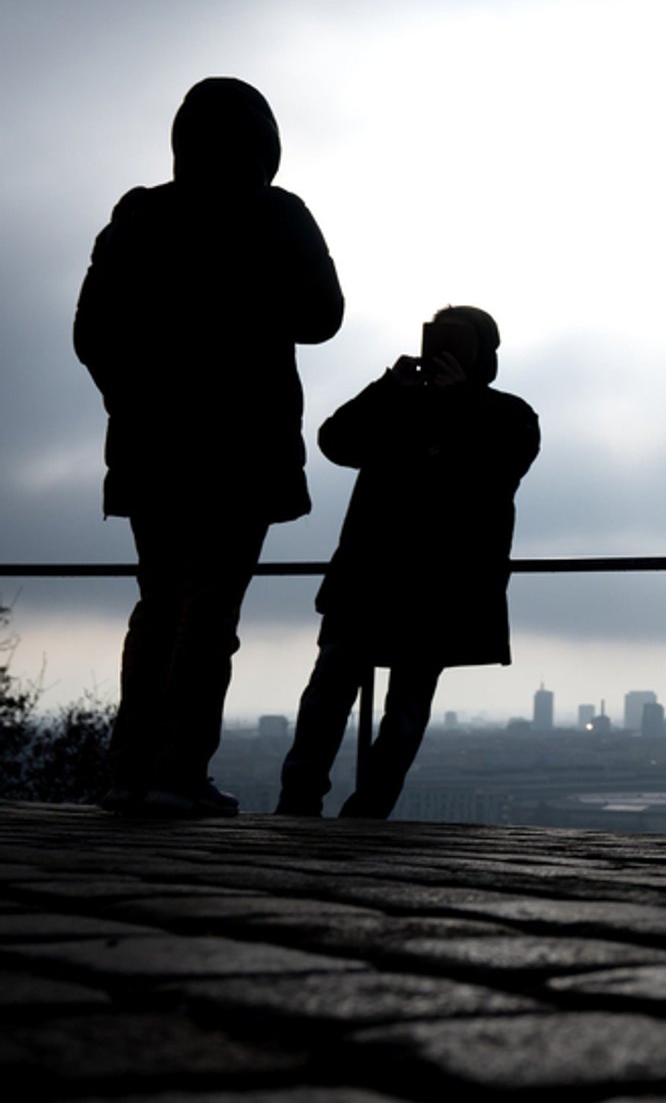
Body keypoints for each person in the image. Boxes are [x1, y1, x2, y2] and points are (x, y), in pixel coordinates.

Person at [74, 77, 344, 817]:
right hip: (241, 450)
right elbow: (325, 316)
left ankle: (129, 768)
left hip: (150, 450)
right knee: (209, 611)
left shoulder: (138, 216)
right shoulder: (277, 215)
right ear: (265, 144)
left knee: (158, 603)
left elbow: (90, 335)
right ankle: (177, 770)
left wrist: (131, 402)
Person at [276, 306, 539, 818]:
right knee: (379, 698)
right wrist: (388, 388)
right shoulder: (459, 410)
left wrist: (443, 400)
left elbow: (499, 466)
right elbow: (336, 442)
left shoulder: (503, 416)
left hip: (390, 579)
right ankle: (349, 806)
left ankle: (322, 802)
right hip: (423, 583)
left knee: (346, 692)